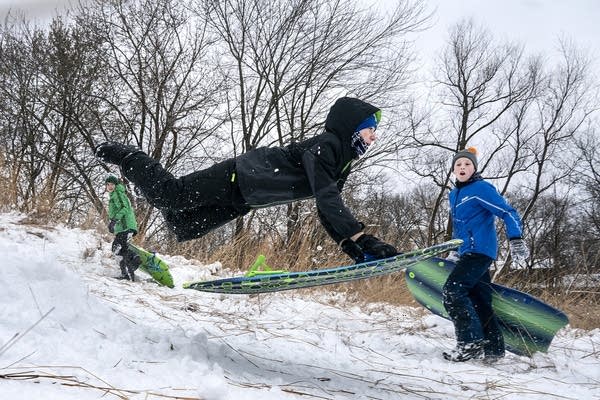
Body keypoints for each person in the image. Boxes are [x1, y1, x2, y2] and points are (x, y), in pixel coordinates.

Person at [95, 97, 397, 263]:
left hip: (246, 199)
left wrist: (350, 244)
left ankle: (144, 182)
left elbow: (326, 206)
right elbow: (327, 196)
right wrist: (361, 237)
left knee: (183, 226)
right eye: (370, 129)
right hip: (239, 175)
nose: (374, 137)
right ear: (352, 127)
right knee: (169, 195)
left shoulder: (341, 162)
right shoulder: (328, 145)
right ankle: (129, 158)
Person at [442, 147, 529, 362]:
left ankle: (469, 342)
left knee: (453, 291)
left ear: (475, 168)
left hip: (480, 251)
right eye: (458, 165)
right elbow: (459, 226)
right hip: (467, 252)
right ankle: (494, 349)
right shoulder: (454, 194)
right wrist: (455, 250)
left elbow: (507, 212)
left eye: (467, 164)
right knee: (479, 299)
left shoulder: (481, 188)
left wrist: (516, 238)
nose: (462, 167)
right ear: (454, 169)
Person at [105, 174, 141, 281]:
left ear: (116, 185)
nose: (110, 187)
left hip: (126, 227)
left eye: (112, 184)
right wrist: (113, 224)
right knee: (119, 249)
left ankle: (134, 258)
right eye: (108, 185)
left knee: (118, 248)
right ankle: (125, 273)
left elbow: (124, 208)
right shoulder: (114, 195)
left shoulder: (118, 194)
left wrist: (114, 220)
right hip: (123, 227)